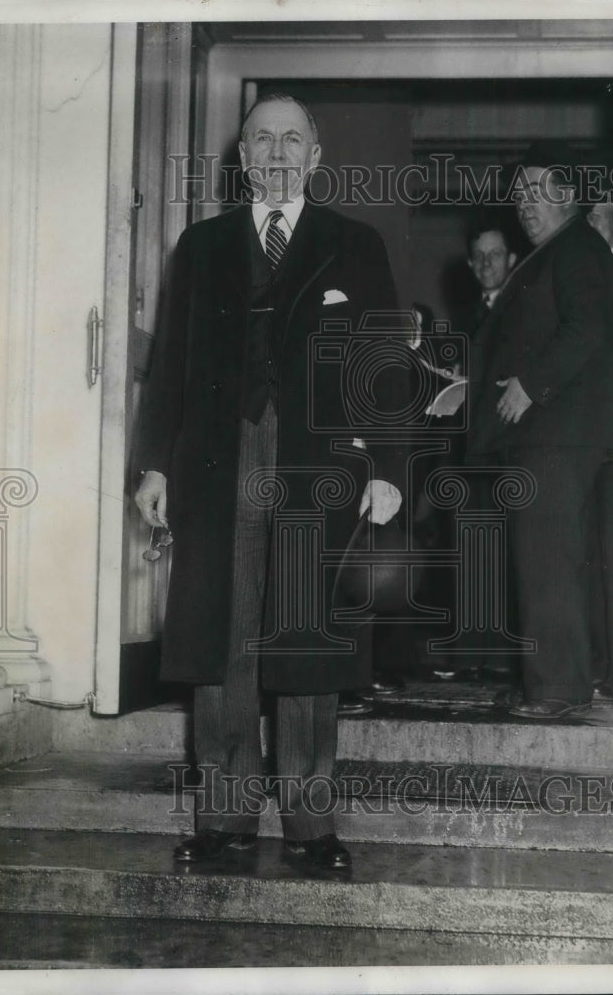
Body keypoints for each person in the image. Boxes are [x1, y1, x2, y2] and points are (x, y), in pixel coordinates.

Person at [134, 94, 411, 868]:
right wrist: (153, 463)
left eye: (293, 139)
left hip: (315, 468)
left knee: (306, 644)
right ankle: (223, 819)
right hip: (219, 463)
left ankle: (310, 827)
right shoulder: (202, 245)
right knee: (223, 638)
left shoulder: (354, 245)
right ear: (243, 158)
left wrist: (387, 467)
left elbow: (383, 368)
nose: (277, 151)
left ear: (314, 157)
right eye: (262, 139)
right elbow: (170, 371)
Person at [466, 142, 613, 720]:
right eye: (519, 196)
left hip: (558, 433)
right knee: (546, 557)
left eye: (537, 192)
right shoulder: (558, 250)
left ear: (571, 196)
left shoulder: (578, 245)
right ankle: (553, 680)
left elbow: (587, 328)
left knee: (548, 557)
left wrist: (530, 384)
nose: (525, 205)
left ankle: (557, 689)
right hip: (550, 434)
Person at [586, 198, 613, 696]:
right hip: (598, 436)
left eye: (597, 215)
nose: (589, 225)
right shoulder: (599, 268)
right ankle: (602, 664)